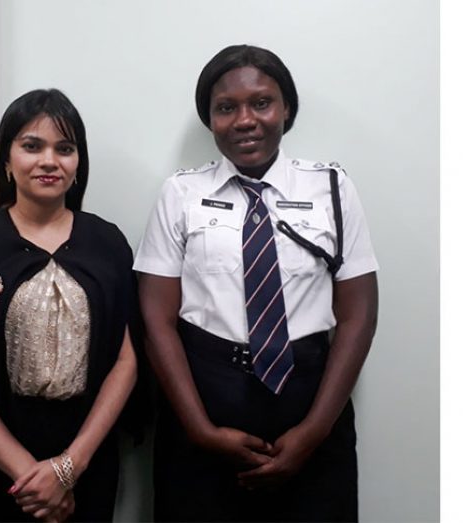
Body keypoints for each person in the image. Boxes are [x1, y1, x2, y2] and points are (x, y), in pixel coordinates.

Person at [134, 44, 379, 522]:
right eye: (226, 108)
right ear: (210, 119)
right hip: (203, 401)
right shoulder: (181, 193)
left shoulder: (331, 187)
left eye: (261, 103)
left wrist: (314, 431)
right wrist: (201, 430)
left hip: (310, 402)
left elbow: (358, 314)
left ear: (286, 108)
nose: (245, 120)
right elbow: (155, 319)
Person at [0, 89, 140, 522]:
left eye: (64, 149)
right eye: (32, 146)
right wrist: (31, 476)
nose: (49, 161)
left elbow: (127, 360)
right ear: (6, 160)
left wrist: (68, 468)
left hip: (87, 456)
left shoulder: (107, 242)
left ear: (78, 164)